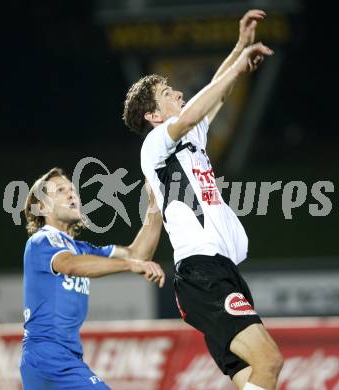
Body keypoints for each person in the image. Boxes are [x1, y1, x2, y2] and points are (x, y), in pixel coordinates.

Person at [123, 10, 283, 390]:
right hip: (201, 273)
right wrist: (240, 67)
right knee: (270, 360)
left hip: (221, 271)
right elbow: (197, 106)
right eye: (167, 94)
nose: (178, 92)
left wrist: (240, 46)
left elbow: (216, 90)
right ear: (153, 115)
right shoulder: (155, 145)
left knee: (255, 379)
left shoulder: (191, 136)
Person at [20, 167, 164, 390]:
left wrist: (156, 201)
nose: (72, 194)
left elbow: (138, 254)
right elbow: (69, 265)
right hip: (49, 356)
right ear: (42, 207)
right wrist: (129, 265)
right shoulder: (43, 240)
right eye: (60, 190)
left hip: (60, 357)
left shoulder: (80, 248)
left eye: (73, 190)